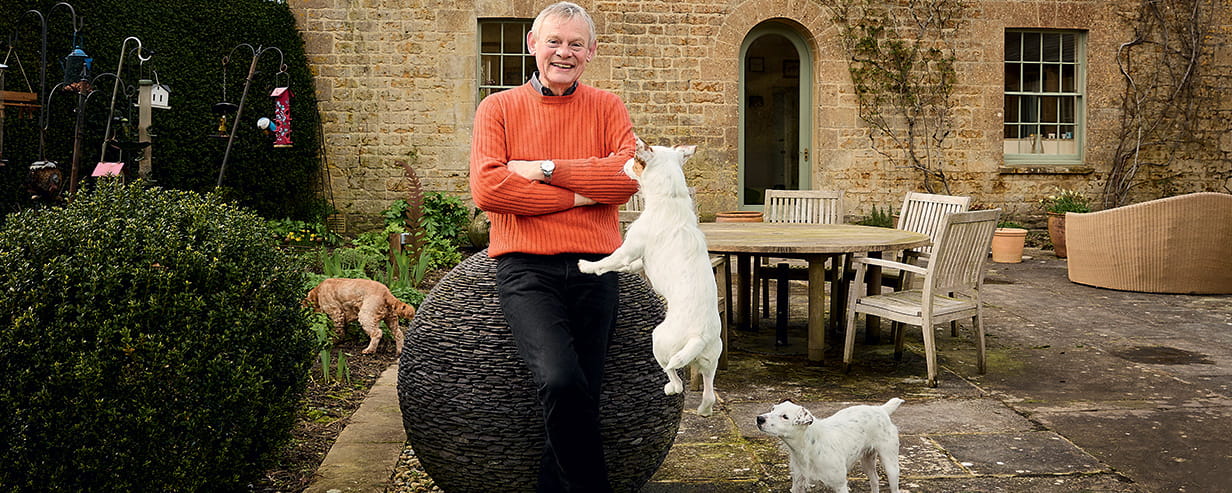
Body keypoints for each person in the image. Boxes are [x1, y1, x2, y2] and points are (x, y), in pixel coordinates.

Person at [468, 2, 639, 492]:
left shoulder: (608, 107)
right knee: (562, 381)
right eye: (554, 42)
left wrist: (542, 169)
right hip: (526, 268)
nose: (564, 53)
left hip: (598, 266)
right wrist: (583, 192)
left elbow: (627, 177)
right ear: (533, 46)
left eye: (576, 44)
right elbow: (490, 190)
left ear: (591, 52)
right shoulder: (497, 108)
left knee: (584, 393)